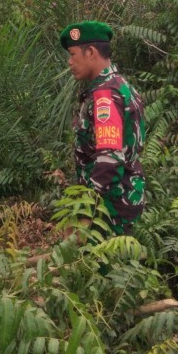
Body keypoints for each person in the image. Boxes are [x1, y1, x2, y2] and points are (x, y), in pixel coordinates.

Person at [60, 21, 146, 236]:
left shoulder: (106, 97)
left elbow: (109, 160)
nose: (69, 62)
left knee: (99, 267)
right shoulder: (121, 85)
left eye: (72, 54)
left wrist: (86, 214)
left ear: (90, 52)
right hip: (119, 201)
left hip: (108, 210)